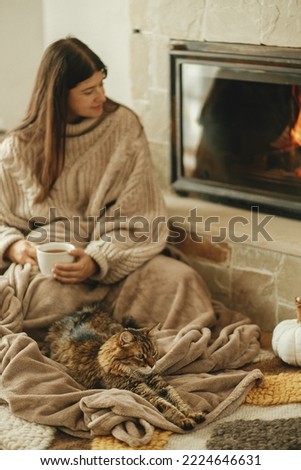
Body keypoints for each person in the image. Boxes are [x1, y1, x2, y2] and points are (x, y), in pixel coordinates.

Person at [0, 37, 261, 445]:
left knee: (181, 280)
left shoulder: (122, 126)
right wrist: (15, 247)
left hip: (121, 256)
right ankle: (98, 359)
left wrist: (98, 260)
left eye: (103, 83)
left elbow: (144, 219)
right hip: (52, 268)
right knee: (48, 305)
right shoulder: (18, 147)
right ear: (56, 95)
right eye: (88, 90)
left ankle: (135, 357)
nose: (102, 96)